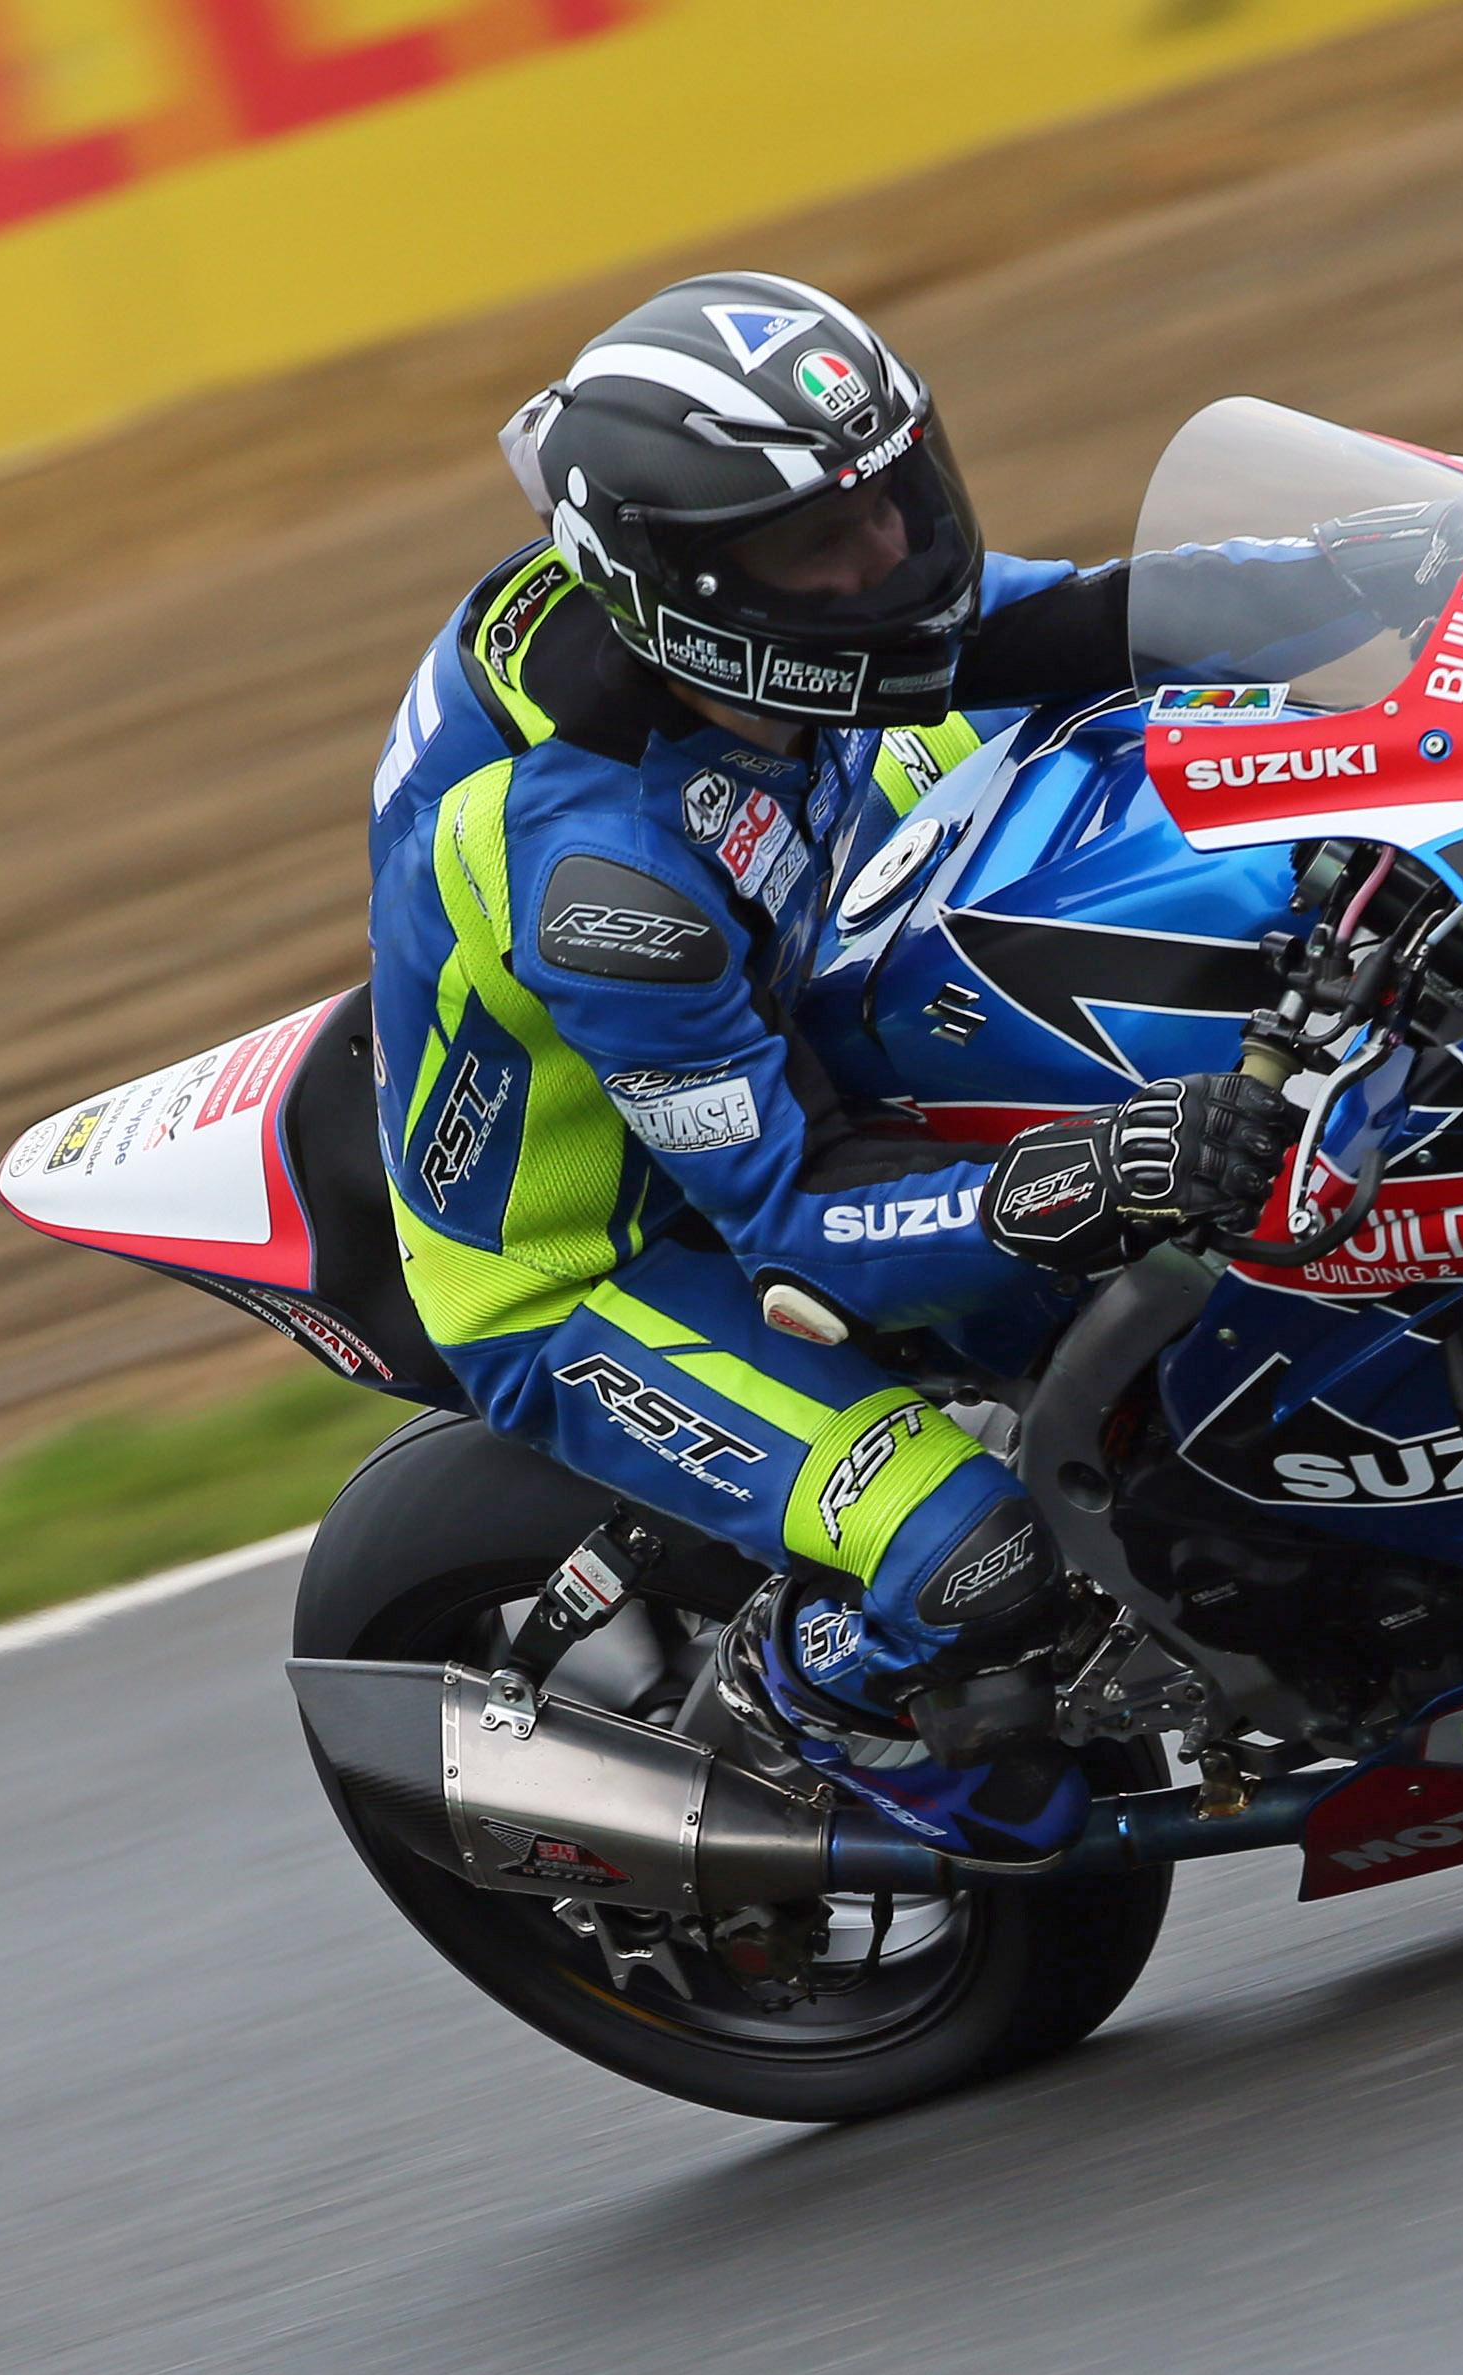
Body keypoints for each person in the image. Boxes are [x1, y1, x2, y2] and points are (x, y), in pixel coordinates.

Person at [363, 272, 1288, 1858]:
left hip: (784, 987)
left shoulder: (751, 633)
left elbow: (1094, 625)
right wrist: (1101, 1166)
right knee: (981, 1559)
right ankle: (792, 1712)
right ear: (685, 591)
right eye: (819, 545)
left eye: (894, 501)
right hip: (612, 1257)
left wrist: (1403, 576)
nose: (887, 562)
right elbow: (796, 1226)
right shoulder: (605, 881)